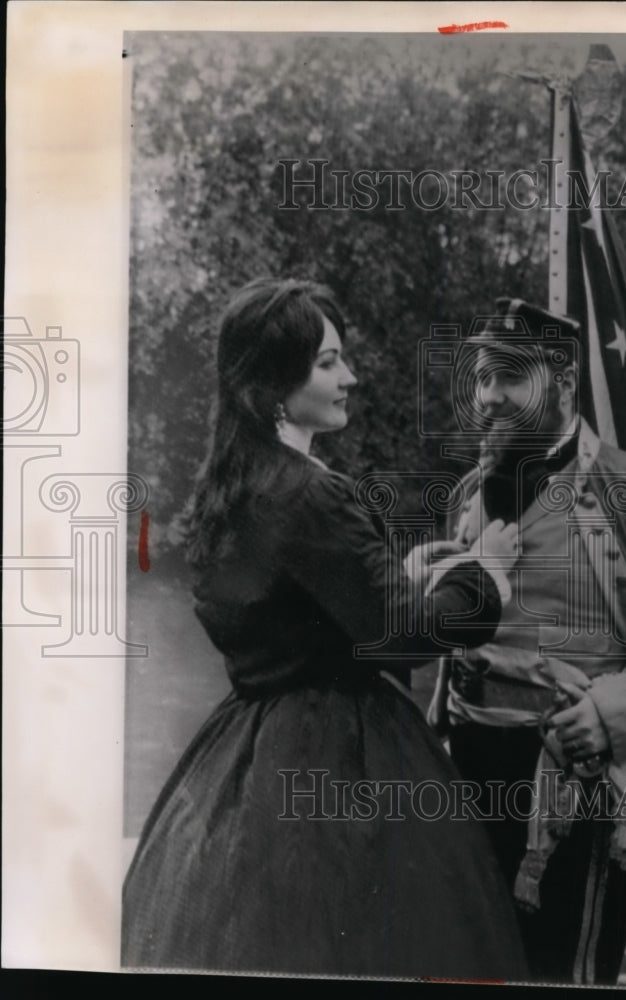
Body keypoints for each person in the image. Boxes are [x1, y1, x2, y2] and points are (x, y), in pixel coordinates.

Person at [122, 278, 528, 979]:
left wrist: (405, 571)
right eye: (328, 362)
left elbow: (306, 613)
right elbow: (398, 633)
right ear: (276, 383)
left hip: (246, 755)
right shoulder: (313, 492)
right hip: (345, 756)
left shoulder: (233, 486)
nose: (351, 377)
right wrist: (480, 574)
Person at [427, 298, 626, 985]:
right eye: (482, 380)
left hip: (576, 780)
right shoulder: (466, 491)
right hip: (467, 778)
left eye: (509, 380)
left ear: (564, 386)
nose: (487, 398)